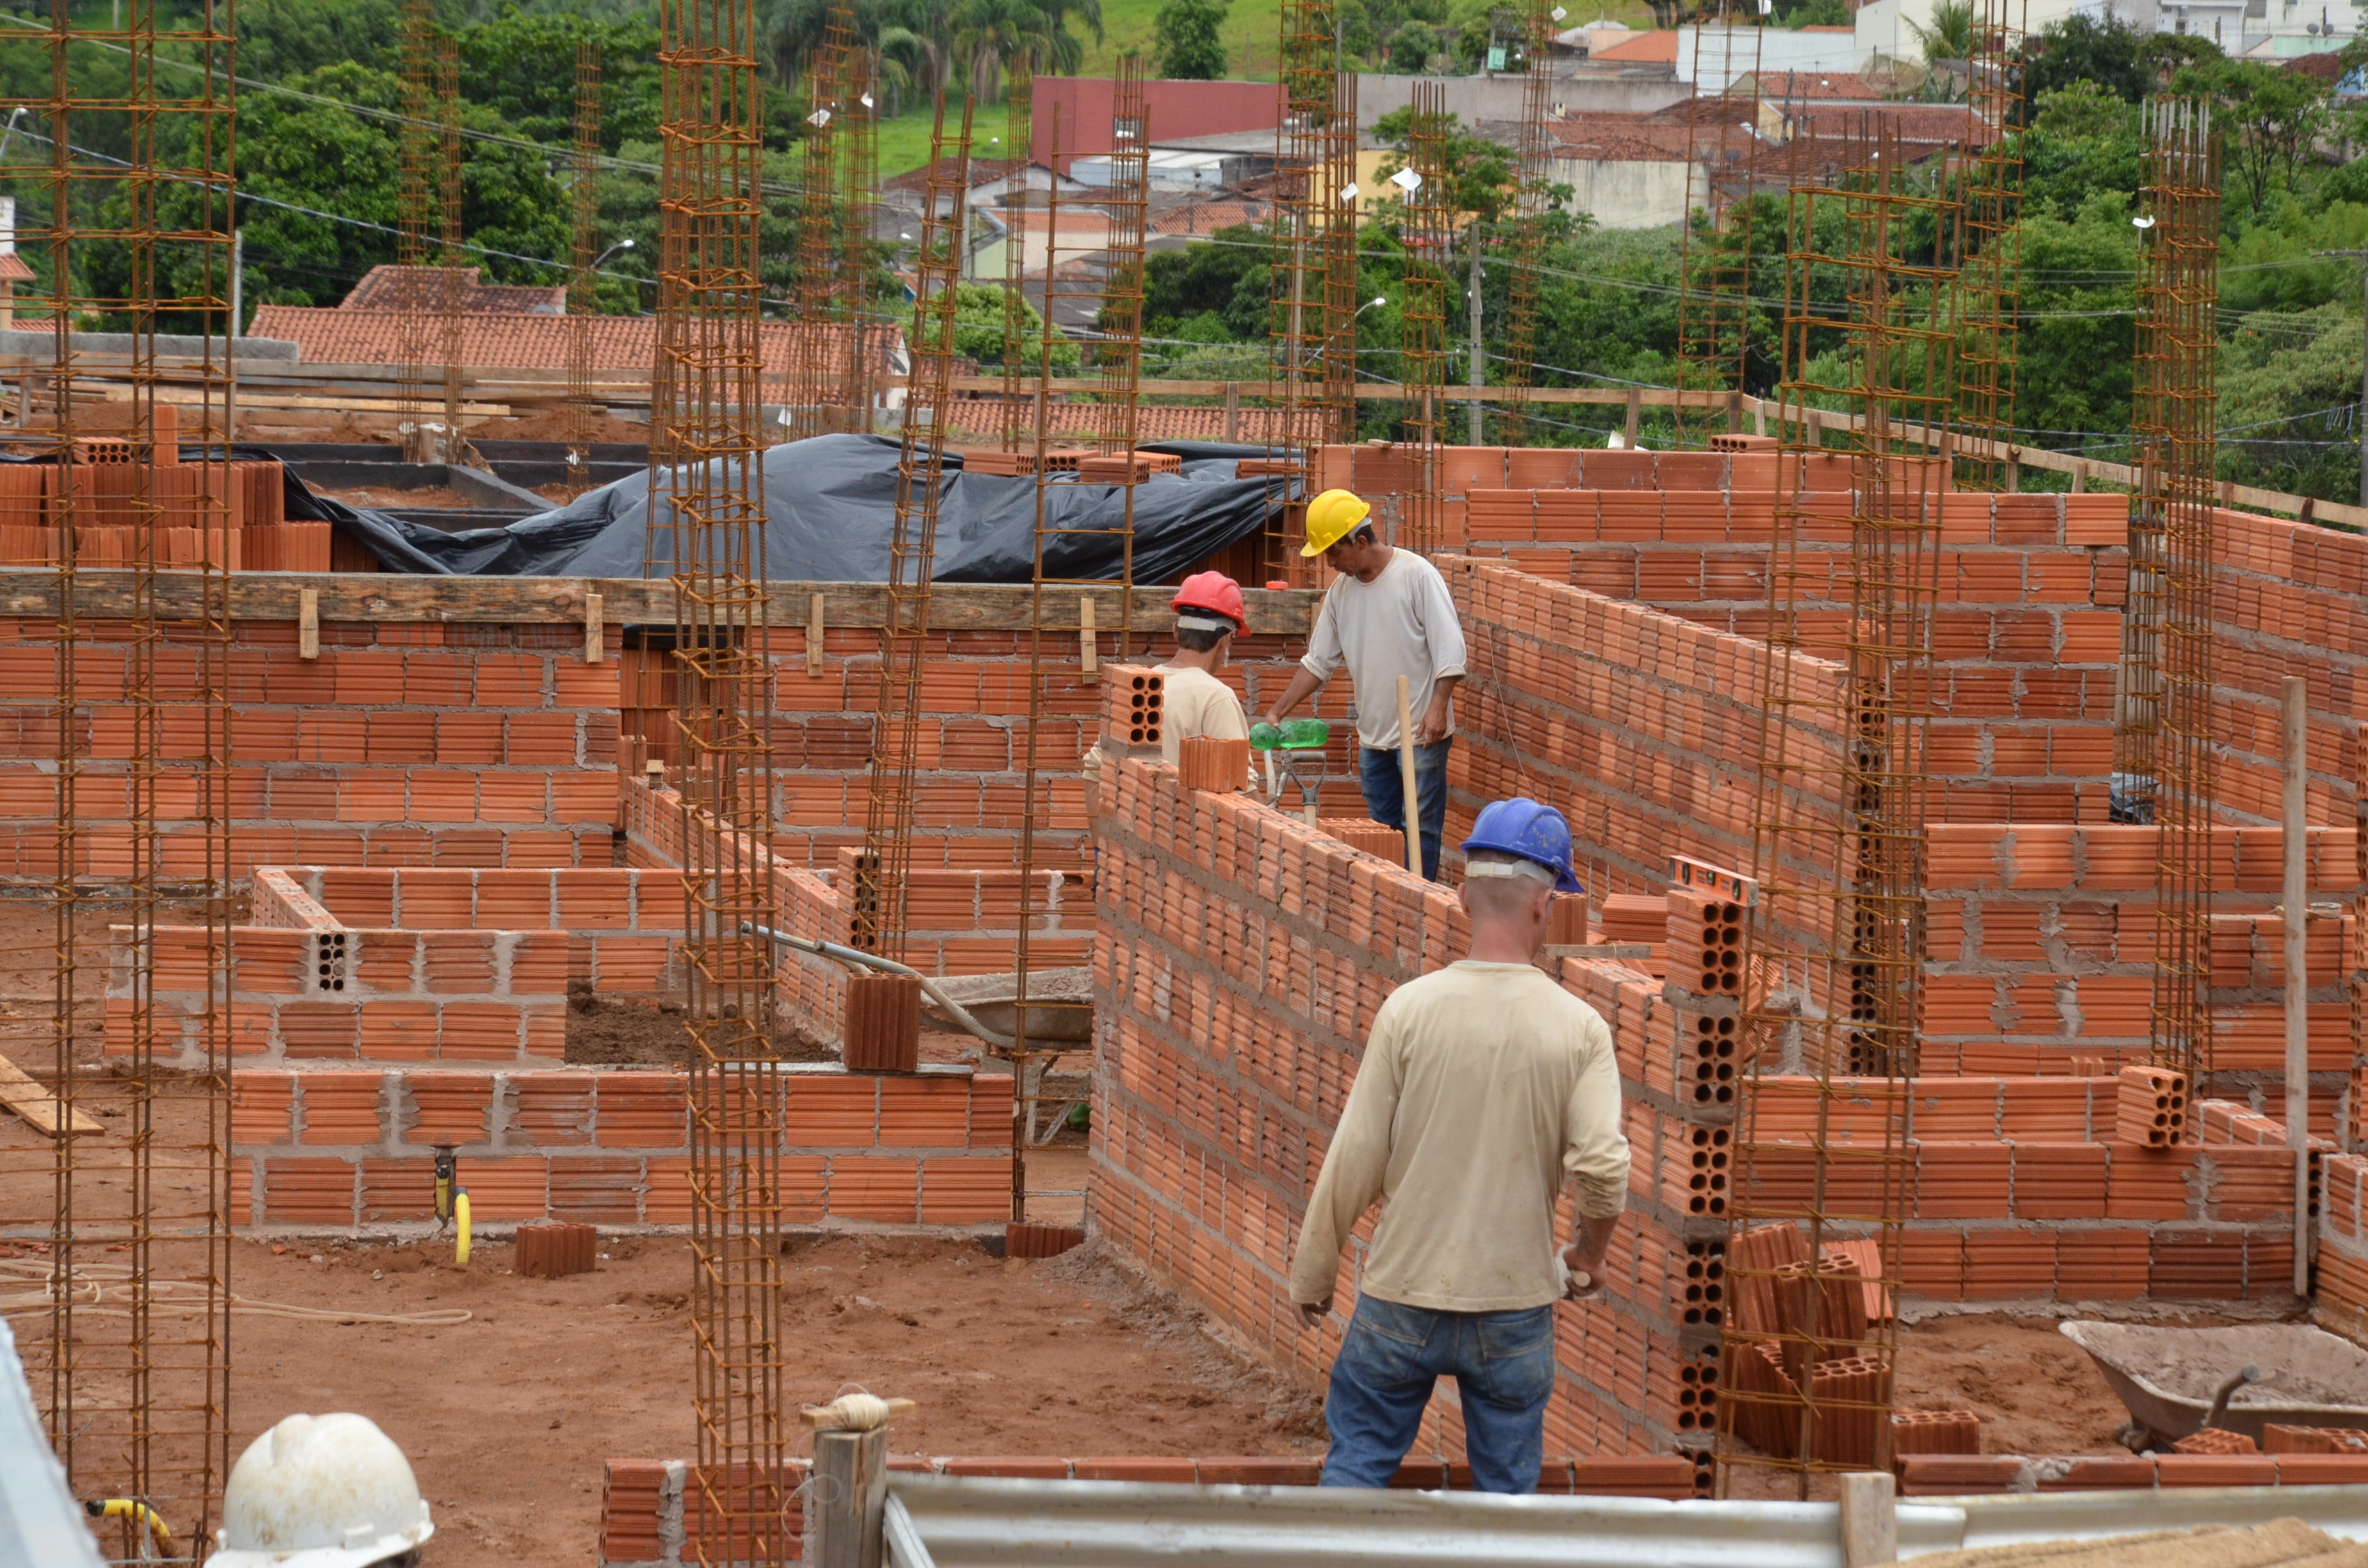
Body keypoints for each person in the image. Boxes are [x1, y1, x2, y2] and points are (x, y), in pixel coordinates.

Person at [1287, 798, 1629, 1494]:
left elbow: (1356, 1156)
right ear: (1545, 907)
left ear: (1467, 896)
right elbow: (1601, 1165)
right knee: (1507, 1506)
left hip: (1401, 1297)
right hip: (1513, 1306)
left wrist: (1314, 1274)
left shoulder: (1409, 1011)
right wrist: (1587, 1258)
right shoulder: (1580, 1029)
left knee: (1354, 1473)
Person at [1261, 488, 1466, 879]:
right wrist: (1276, 711)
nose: (1330, 564)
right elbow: (1317, 663)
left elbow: (1451, 652)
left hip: (1420, 735)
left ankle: (1421, 909)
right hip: (1374, 739)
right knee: (1383, 833)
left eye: (1333, 554)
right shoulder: (1340, 594)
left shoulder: (1416, 576)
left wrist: (1438, 709)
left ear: (1359, 542)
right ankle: (1391, 910)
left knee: (1420, 831)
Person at [1159, 571, 1254, 787]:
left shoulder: (1140, 684)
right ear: (1225, 640)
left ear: (1176, 631)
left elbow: (1095, 771)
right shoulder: (1216, 698)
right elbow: (1240, 791)